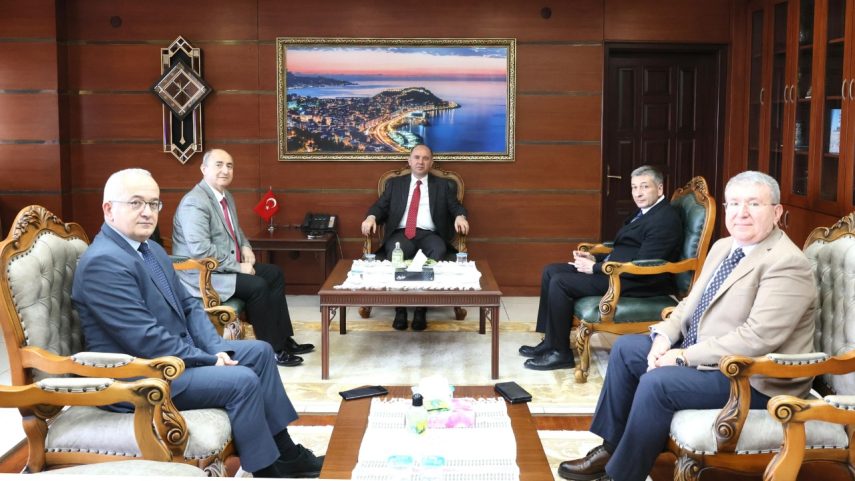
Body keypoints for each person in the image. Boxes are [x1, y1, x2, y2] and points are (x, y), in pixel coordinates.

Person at [557, 171, 818, 481]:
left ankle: (623, 475)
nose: (742, 213)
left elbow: (756, 338)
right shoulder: (725, 246)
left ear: (776, 212)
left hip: (753, 377)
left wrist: (682, 356)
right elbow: (689, 303)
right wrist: (664, 338)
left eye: (754, 204)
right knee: (627, 350)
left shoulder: (786, 263)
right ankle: (611, 450)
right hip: (711, 353)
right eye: (734, 203)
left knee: (658, 383)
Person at [71, 169, 324, 478]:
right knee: (241, 380)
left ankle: (286, 454)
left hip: (171, 359)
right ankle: (268, 470)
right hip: (138, 375)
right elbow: (144, 339)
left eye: (154, 203)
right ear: (109, 209)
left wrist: (216, 348)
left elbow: (190, 305)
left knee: (259, 352)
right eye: (136, 203)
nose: (148, 212)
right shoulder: (104, 262)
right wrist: (207, 359)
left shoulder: (149, 249)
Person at [521, 165, 683, 371]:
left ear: (659, 189)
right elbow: (625, 248)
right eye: (634, 187)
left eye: (644, 187)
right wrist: (595, 257)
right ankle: (550, 342)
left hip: (640, 280)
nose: (638, 193)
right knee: (551, 270)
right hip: (618, 270)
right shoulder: (645, 212)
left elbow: (645, 262)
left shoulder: (664, 219)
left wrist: (596, 268)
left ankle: (560, 354)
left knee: (561, 282)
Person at [172, 149, 312, 367]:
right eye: (219, 165)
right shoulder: (194, 202)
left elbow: (236, 230)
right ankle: (272, 350)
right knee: (257, 285)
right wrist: (238, 267)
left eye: (229, 166)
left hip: (223, 267)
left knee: (274, 273)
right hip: (203, 274)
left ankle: (283, 339)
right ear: (204, 169)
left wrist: (245, 246)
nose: (225, 170)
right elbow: (201, 250)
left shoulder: (225, 196)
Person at [361, 144, 469, 331]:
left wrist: (460, 216)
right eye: (417, 157)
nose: (421, 161)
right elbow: (380, 206)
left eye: (425, 158)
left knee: (438, 250)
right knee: (397, 255)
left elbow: (456, 207)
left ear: (431, 163)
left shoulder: (442, 185)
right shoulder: (395, 184)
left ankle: (421, 308)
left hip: (430, 234)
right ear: (409, 161)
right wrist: (371, 217)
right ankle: (400, 308)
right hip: (401, 233)